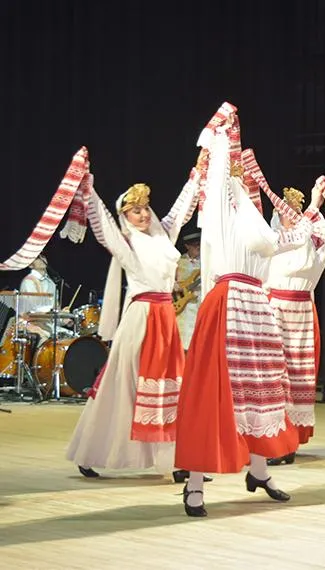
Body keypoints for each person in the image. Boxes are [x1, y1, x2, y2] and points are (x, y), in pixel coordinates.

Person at [173, 105, 320, 517]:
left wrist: (310, 224)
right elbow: (222, 180)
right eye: (236, 172)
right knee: (219, 392)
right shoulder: (221, 213)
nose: (242, 175)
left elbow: (277, 242)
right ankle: (196, 482)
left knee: (262, 391)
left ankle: (259, 470)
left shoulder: (254, 217)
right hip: (230, 301)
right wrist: (223, 136)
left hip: (256, 303)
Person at [65, 171, 201, 480]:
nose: (141, 215)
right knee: (121, 388)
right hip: (141, 319)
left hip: (165, 318)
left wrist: (197, 174)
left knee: (170, 389)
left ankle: (174, 461)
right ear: (124, 216)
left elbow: (182, 209)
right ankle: (90, 451)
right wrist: (89, 190)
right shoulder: (127, 242)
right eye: (133, 211)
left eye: (143, 208)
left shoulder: (163, 237)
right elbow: (103, 228)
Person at [264, 186, 325, 466]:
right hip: (275, 310)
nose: (291, 217)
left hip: (303, 312)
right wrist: (314, 201)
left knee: (298, 378)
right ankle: (273, 440)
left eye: (295, 212)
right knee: (275, 378)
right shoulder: (274, 240)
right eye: (286, 213)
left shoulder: (310, 243)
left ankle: (290, 441)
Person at [174, 231, 202, 351]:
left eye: (199, 244)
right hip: (180, 307)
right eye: (195, 244)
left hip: (199, 304)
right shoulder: (178, 262)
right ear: (187, 246)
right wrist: (173, 285)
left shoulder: (207, 262)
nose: (198, 247)